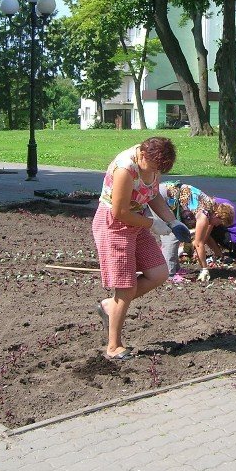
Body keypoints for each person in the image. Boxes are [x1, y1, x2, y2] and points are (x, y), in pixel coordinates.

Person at [92, 137, 191, 360]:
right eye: (154, 168)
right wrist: (152, 224)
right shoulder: (125, 169)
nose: (156, 172)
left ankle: (109, 307)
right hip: (114, 226)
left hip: (137, 222)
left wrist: (172, 221)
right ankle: (113, 346)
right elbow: (120, 212)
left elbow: (152, 194)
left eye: (159, 170)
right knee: (125, 287)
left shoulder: (153, 165)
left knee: (159, 273)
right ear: (143, 155)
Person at [154, 182, 213, 276]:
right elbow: (199, 244)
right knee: (171, 235)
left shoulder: (210, 204)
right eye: (219, 223)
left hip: (169, 195)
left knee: (175, 232)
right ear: (218, 215)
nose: (216, 225)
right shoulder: (204, 215)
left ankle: (176, 268)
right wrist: (204, 269)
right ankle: (170, 273)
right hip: (163, 196)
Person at [191, 197, 236, 282]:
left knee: (207, 226)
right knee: (211, 224)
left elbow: (204, 235)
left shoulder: (213, 210)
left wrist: (195, 248)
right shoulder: (223, 203)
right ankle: (227, 252)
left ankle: (218, 254)